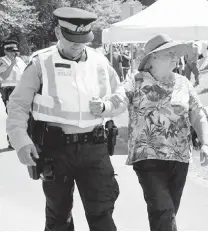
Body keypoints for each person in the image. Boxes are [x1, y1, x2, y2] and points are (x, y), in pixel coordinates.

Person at [6, 7, 127, 230]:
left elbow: (121, 96)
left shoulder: (100, 62)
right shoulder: (40, 63)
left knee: (102, 214)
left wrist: (106, 106)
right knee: (59, 217)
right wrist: (20, 140)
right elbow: (18, 105)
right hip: (55, 150)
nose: (78, 44)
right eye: (72, 38)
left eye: (83, 39)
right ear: (57, 32)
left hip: (94, 149)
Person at [123, 34, 208, 230]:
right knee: (164, 210)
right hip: (147, 157)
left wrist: (205, 144)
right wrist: (103, 106)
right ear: (153, 58)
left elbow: (197, 114)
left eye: (176, 54)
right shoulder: (136, 81)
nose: (175, 58)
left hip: (179, 158)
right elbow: (118, 99)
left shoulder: (184, 83)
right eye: (169, 54)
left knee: (166, 211)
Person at [0, 40, 26, 149]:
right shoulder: (2, 61)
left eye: (15, 50)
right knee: (13, 116)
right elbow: (4, 76)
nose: (13, 53)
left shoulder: (20, 60)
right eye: (11, 51)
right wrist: (11, 65)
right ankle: (12, 141)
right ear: (5, 51)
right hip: (9, 90)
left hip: (21, 89)